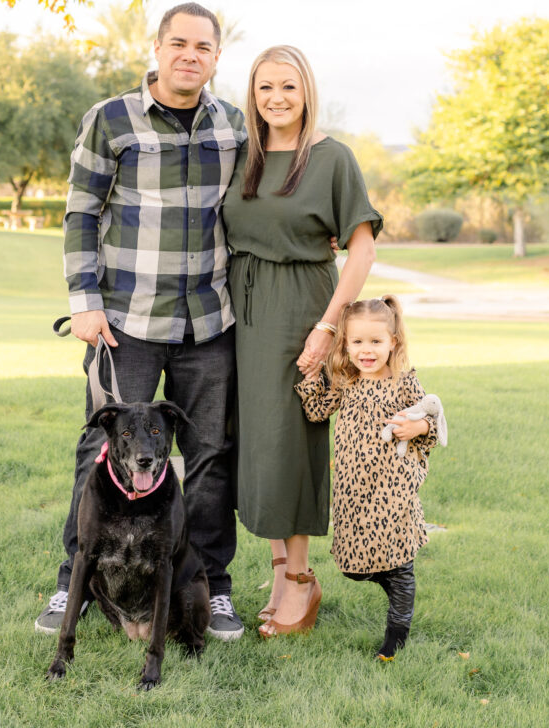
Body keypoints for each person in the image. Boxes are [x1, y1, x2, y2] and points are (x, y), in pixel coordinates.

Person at [35, 2, 248, 641]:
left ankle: (209, 586)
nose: (190, 55)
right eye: (178, 43)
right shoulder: (110, 120)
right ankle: (75, 572)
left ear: (216, 56)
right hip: (124, 322)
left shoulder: (235, 125)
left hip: (208, 322)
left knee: (209, 454)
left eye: (203, 46)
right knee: (102, 449)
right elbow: (80, 213)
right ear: (157, 48)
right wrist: (83, 298)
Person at [222, 46, 382, 638]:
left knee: (291, 441)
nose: (277, 98)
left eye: (288, 87)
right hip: (241, 311)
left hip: (302, 309)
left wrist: (329, 325)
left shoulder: (331, 158)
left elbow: (361, 249)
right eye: (265, 88)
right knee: (256, 444)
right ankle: (279, 571)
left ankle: (300, 580)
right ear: (253, 94)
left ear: (306, 91)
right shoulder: (243, 155)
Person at [294, 295, 441, 659]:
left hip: (394, 488)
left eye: (376, 342)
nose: (367, 350)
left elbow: (433, 422)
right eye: (357, 342)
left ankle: (396, 634)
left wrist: (417, 426)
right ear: (345, 343)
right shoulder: (347, 379)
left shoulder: (405, 382)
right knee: (353, 567)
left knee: (400, 564)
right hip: (353, 488)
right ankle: (391, 583)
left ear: (393, 342)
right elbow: (315, 412)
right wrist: (312, 377)